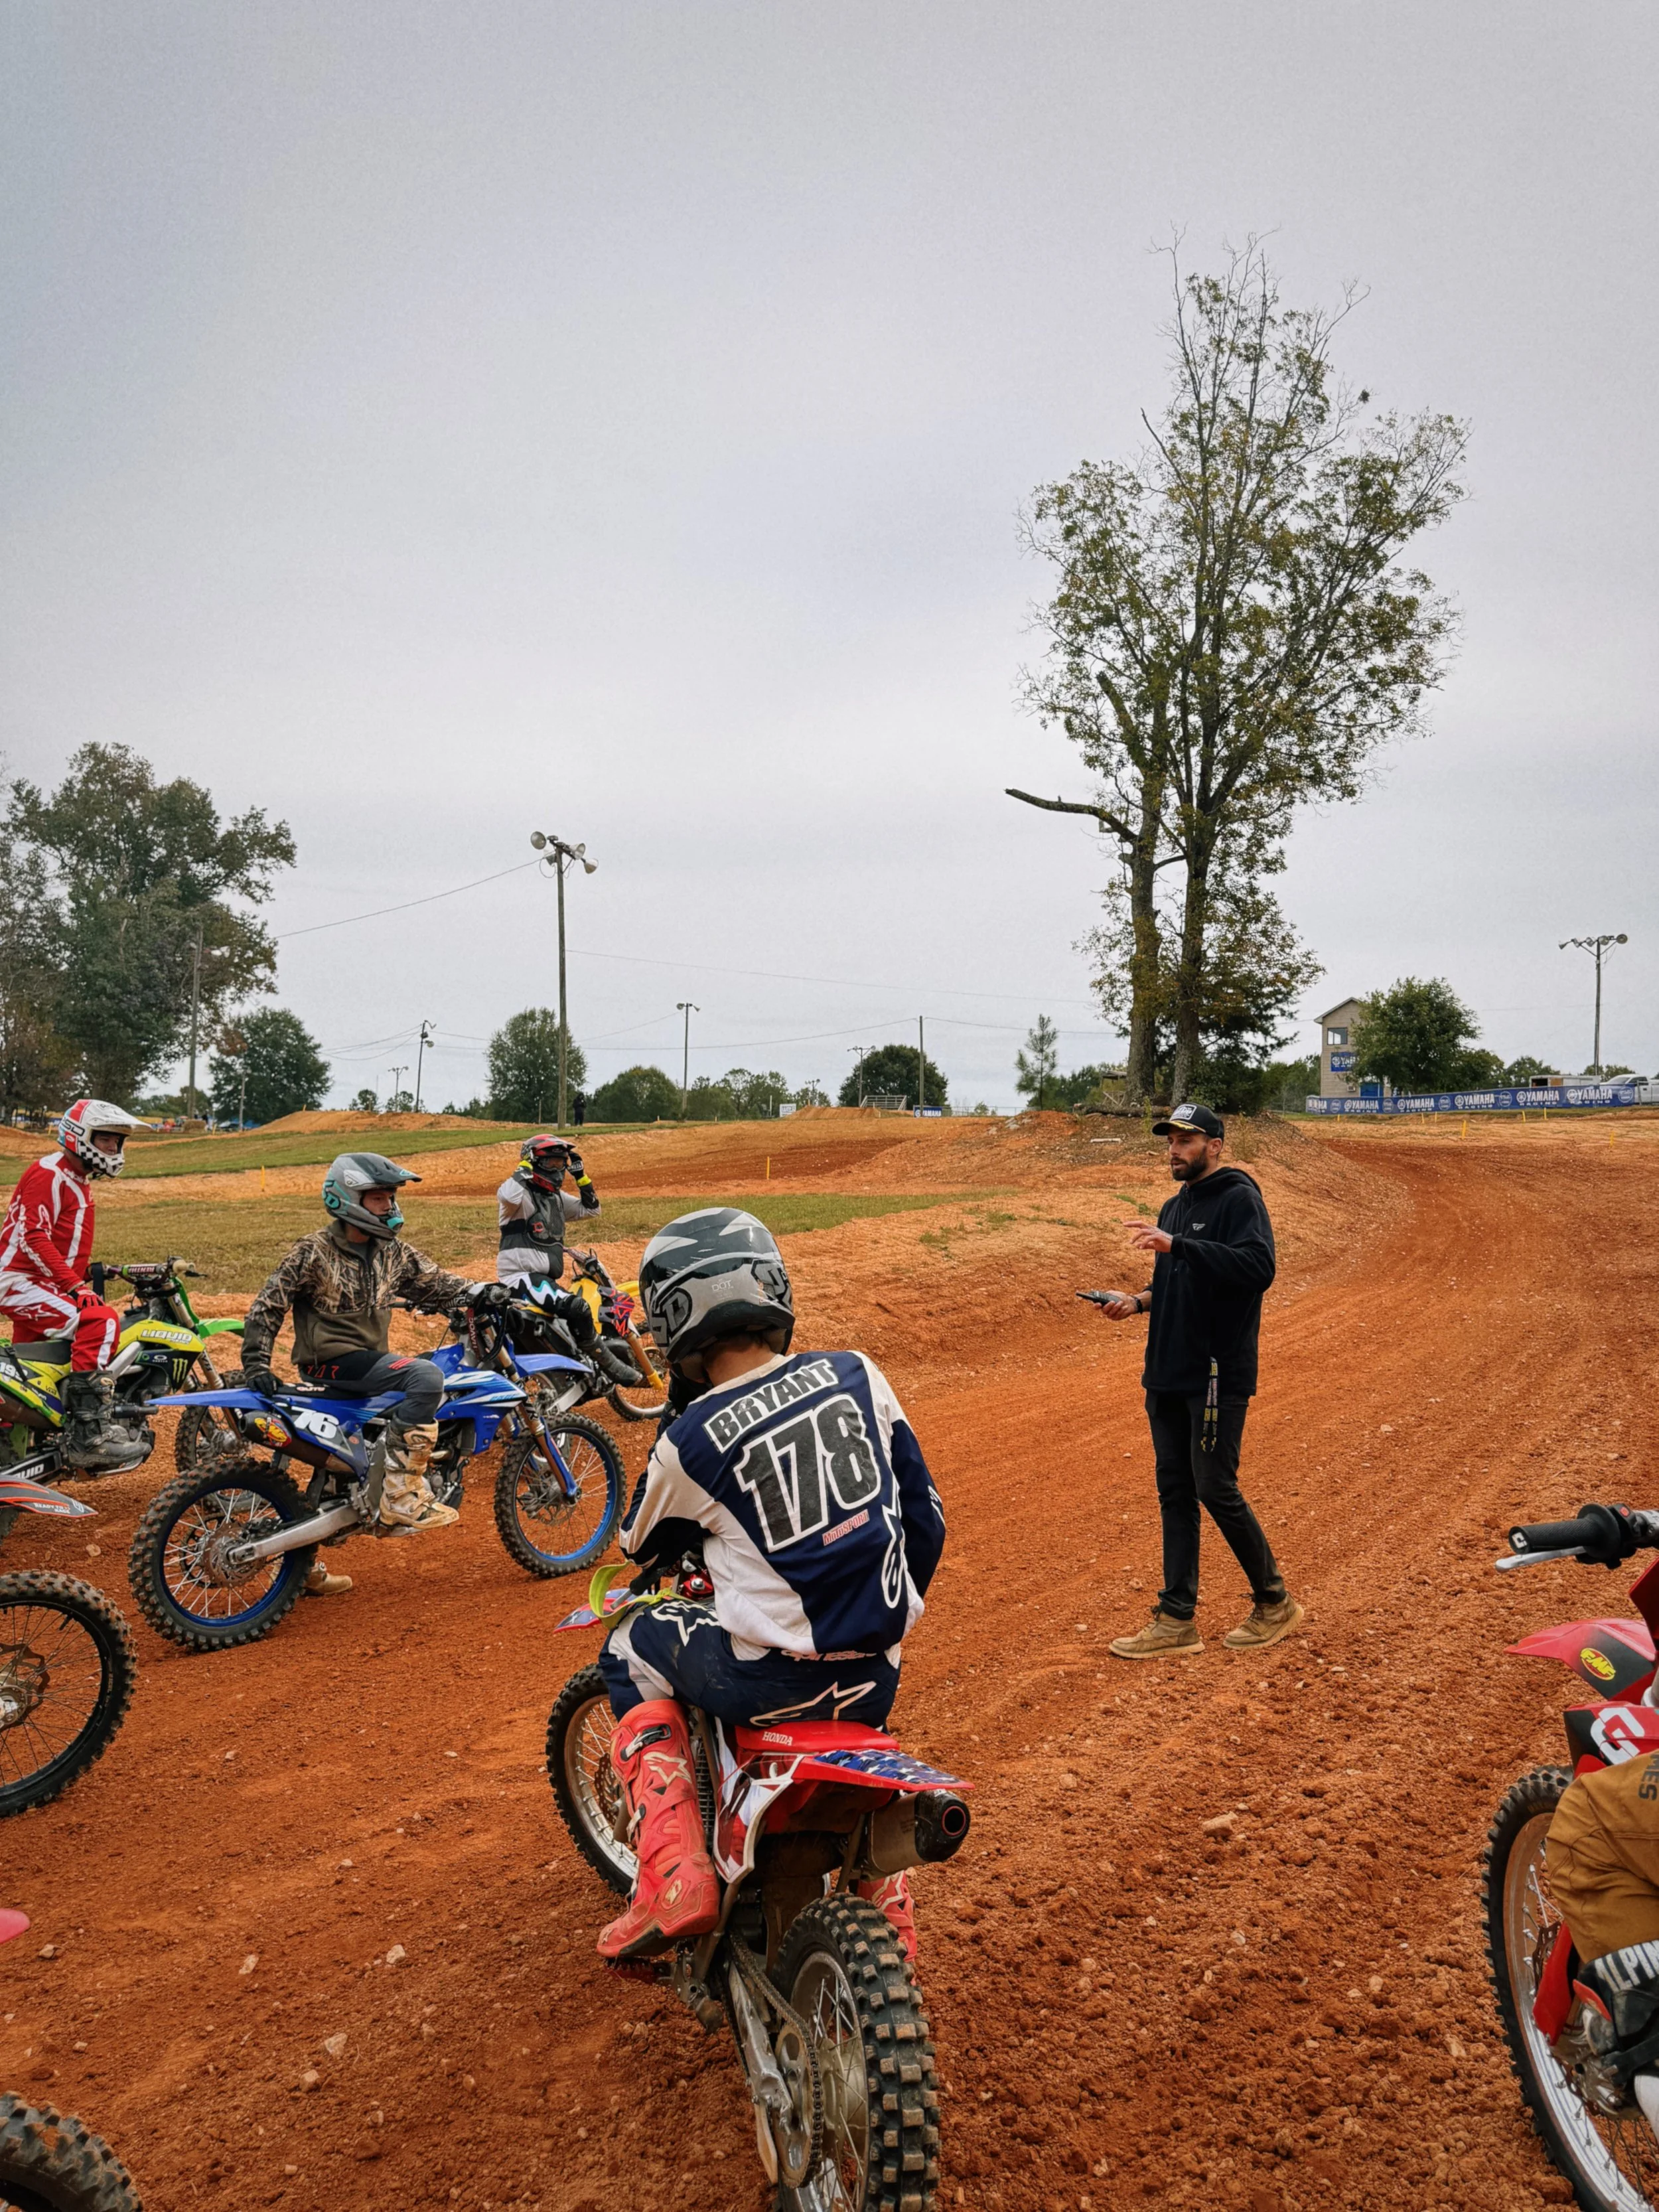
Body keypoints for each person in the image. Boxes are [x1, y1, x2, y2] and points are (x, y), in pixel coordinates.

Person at [593, 1207, 946, 1964]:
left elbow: (639, 1543)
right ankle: (886, 1905)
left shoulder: (692, 1437)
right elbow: (927, 1520)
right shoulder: (856, 1371)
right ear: (771, 1285)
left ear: (671, 1318)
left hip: (763, 1682)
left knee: (627, 1643)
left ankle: (673, 1871)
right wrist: (882, 1613)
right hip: (876, 1673)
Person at [1088, 1101, 1301, 1660]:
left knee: (1214, 1487)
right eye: (1170, 1140)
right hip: (1168, 1370)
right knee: (1176, 1491)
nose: (1175, 1149)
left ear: (1216, 1145)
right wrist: (1135, 1301)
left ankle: (1275, 1601)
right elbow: (1180, 1282)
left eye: (1186, 1140)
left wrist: (1177, 1245)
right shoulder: (1173, 1207)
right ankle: (1177, 1619)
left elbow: (1258, 1268)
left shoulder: (1238, 1197)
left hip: (1215, 1373)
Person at [240, 1153, 509, 1582]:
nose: (389, 1206)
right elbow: (268, 1304)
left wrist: (480, 1290)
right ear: (347, 1199)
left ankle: (301, 1565)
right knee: (425, 1376)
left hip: (365, 1363)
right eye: (379, 1198)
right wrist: (256, 1362)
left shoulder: (391, 1251)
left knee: (406, 1387)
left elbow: (434, 1281)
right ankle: (399, 1493)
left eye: (390, 1197)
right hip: (331, 1363)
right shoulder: (313, 1251)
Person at [0, 1098, 143, 1469]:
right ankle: (89, 1436)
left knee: (33, 1378)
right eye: (107, 1140)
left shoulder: (75, 1178)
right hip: (19, 1280)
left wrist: (92, 1274)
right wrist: (77, 1290)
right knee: (101, 1321)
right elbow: (34, 1236)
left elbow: (64, 1241)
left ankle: (24, 1451)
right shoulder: (50, 1173)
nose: (114, 1149)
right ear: (81, 1137)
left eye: (117, 1142)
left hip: (40, 1281)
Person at [494, 1136, 636, 1384]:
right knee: (578, 1308)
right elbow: (507, 1196)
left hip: (542, 1279)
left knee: (572, 1316)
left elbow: (591, 1209)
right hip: (520, 1278)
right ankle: (609, 1367)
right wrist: (522, 1169)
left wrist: (581, 1178)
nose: (558, 1170)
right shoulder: (519, 1200)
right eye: (552, 1163)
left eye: (562, 1164)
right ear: (534, 1162)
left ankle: (578, 1365)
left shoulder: (556, 1199)